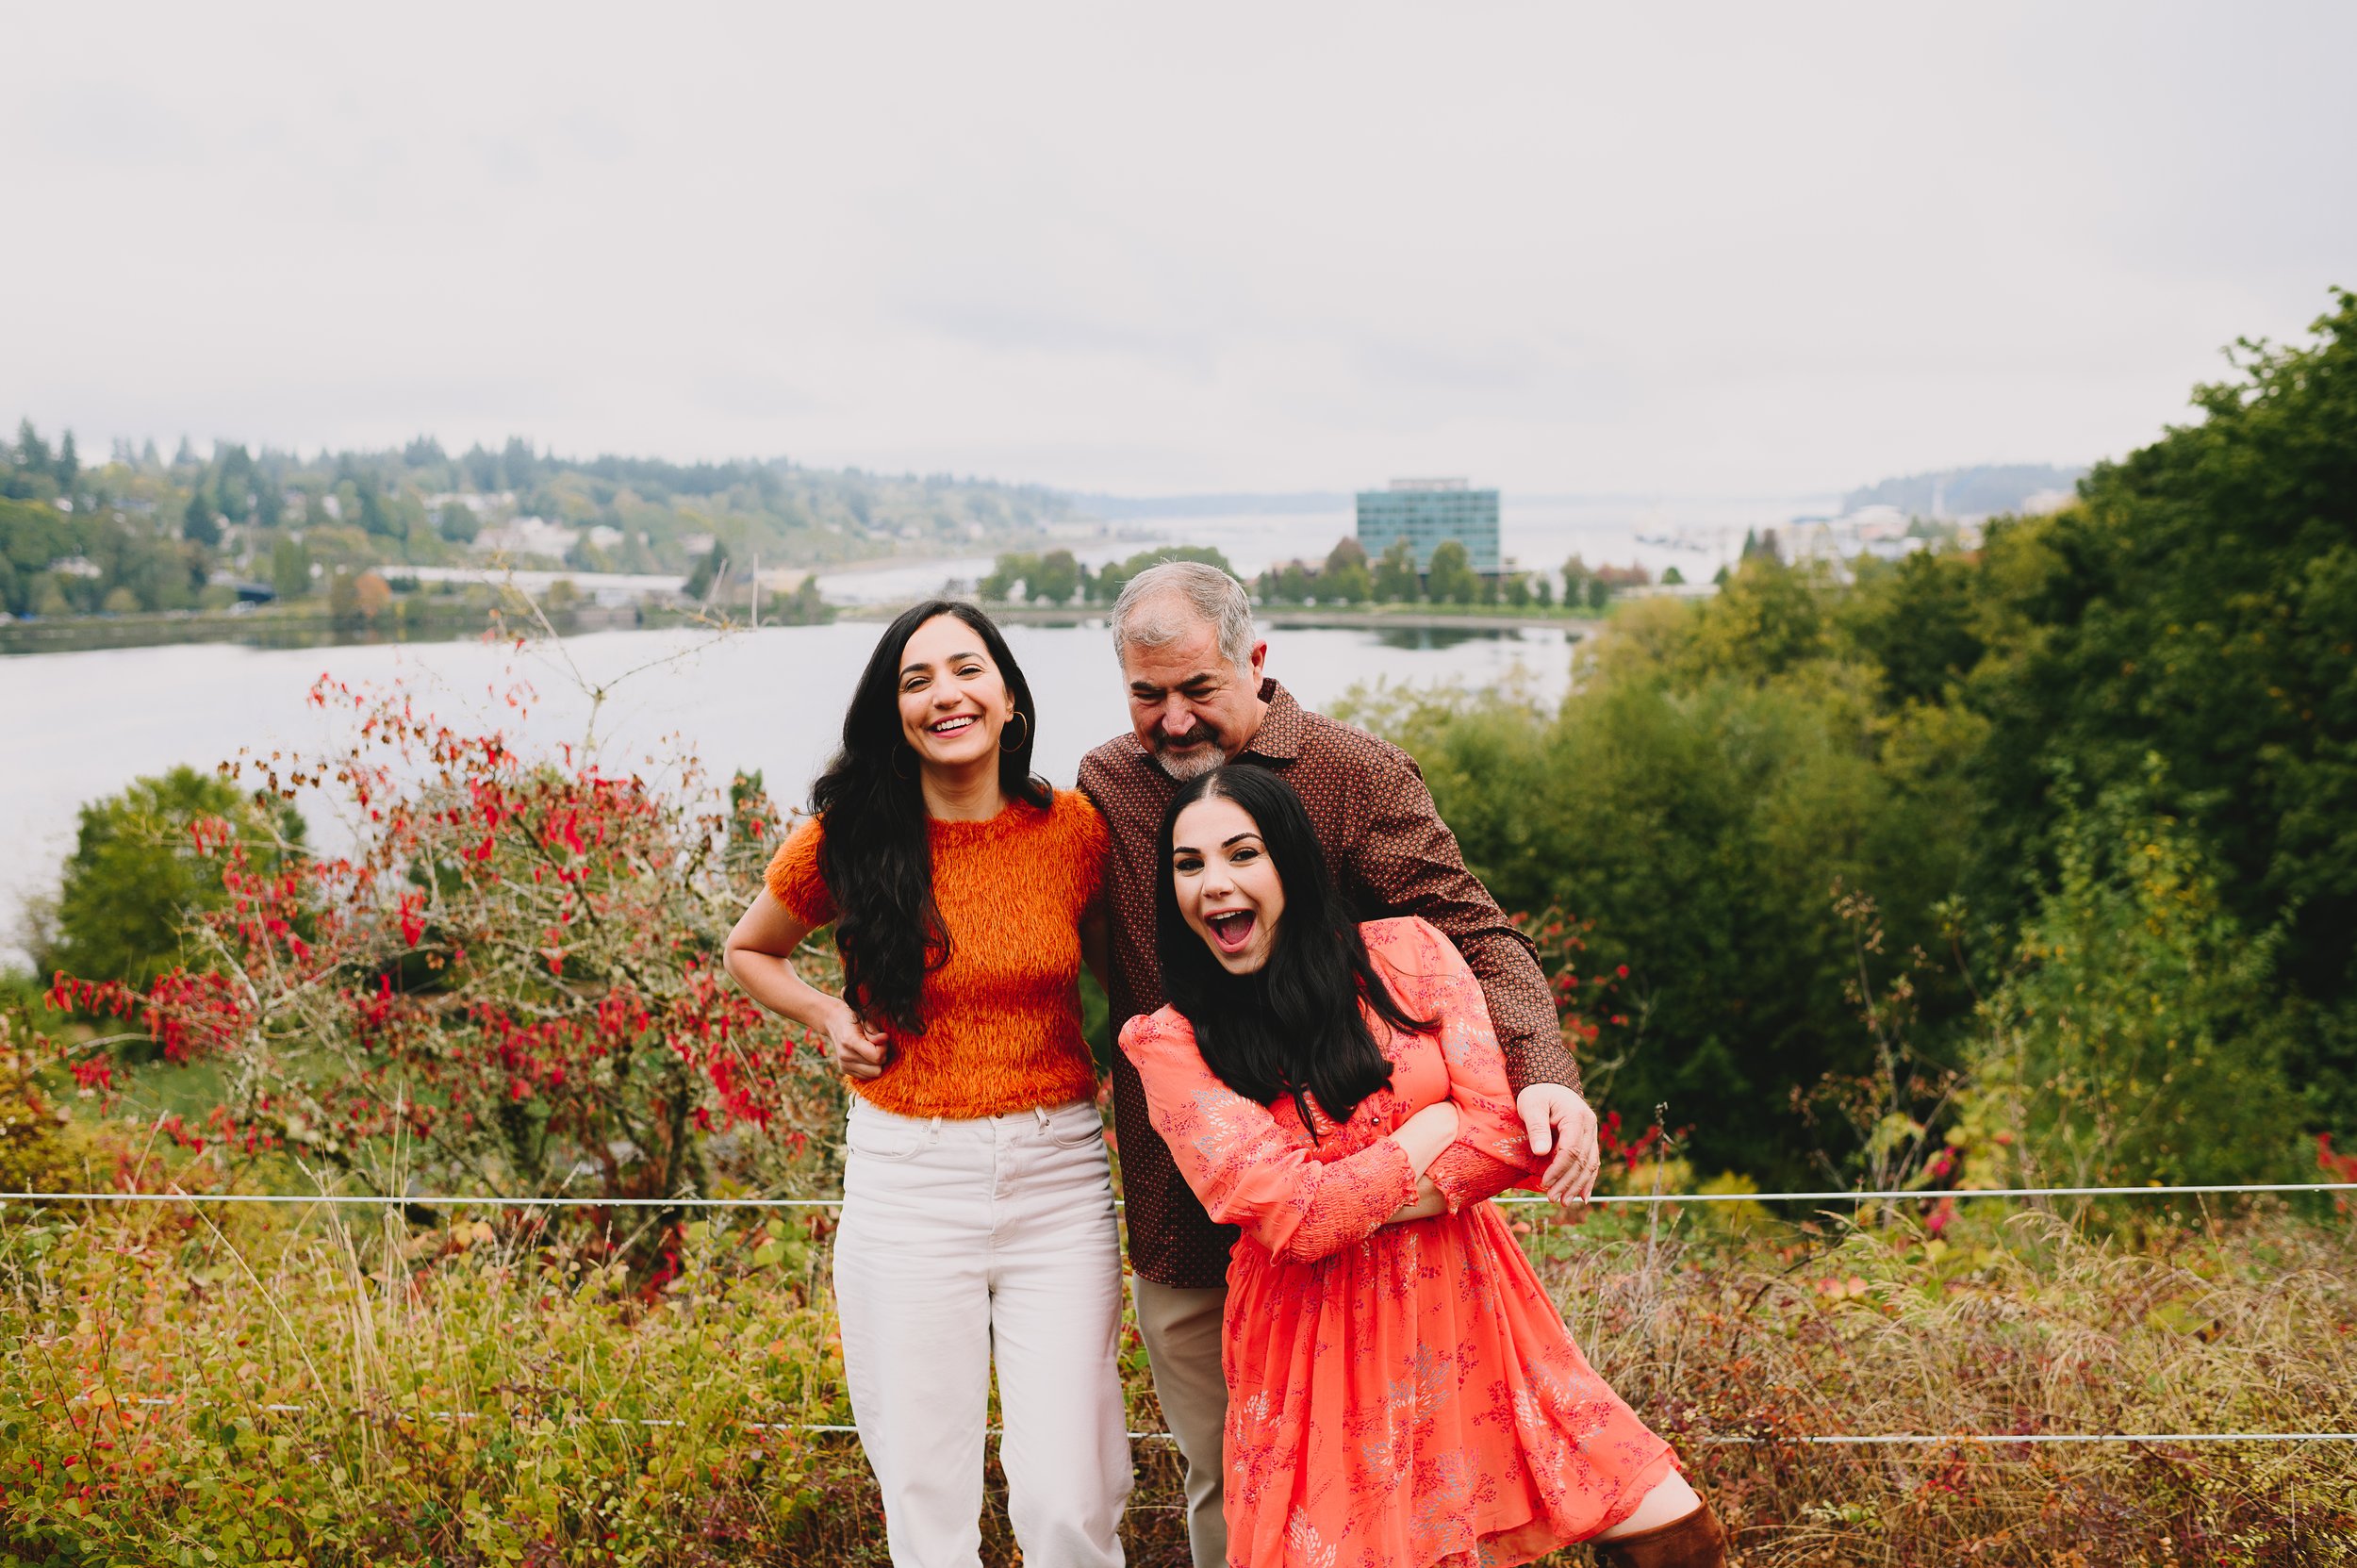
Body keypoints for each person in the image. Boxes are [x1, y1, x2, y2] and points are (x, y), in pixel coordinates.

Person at [1073, 561, 1605, 1567]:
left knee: (1389, 1489)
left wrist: (1541, 1071)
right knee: (1230, 1488)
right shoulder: (1105, 786)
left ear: (1256, 661)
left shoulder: (1355, 774)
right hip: (1192, 1219)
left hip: (1372, 1241)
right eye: (1148, 696)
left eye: (1199, 690)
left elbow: (1476, 936)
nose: (1174, 721)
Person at [1121, 765, 1725, 1568]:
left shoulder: (1407, 952)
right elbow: (1295, 1220)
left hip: (1471, 1305)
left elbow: (1507, 1135)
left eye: (1243, 854)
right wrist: (1426, 1132)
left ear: (1292, 864)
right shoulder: (1169, 1041)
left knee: (1668, 1527)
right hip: (1317, 1339)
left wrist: (1355, 1190)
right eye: (1189, 865)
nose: (1215, 884)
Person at [724, 600, 1130, 1567]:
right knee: (924, 1490)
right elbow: (749, 949)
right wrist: (827, 1014)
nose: (945, 693)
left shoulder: (1072, 831)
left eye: (966, 669)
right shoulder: (849, 839)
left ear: (1005, 694)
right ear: (894, 710)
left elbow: (1128, 988)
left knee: (1067, 1495)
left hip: (1058, 1177)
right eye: (917, 680)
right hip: (908, 1180)